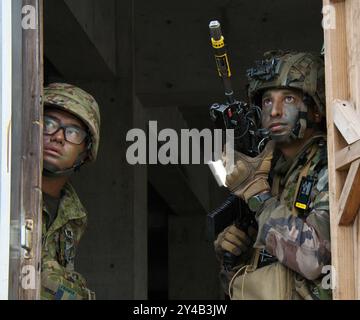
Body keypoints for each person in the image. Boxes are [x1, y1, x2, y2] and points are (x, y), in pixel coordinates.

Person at [214, 50, 331, 300]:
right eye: (267, 101)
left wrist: (257, 195)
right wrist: (235, 248)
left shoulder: (330, 166)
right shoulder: (272, 170)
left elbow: (313, 259)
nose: (275, 111)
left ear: (316, 110)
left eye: (288, 99)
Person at [40, 83, 101, 300]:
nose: (57, 137)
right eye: (49, 123)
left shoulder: (74, 216)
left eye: (73, 132)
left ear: (84, 152)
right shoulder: (8, 190)